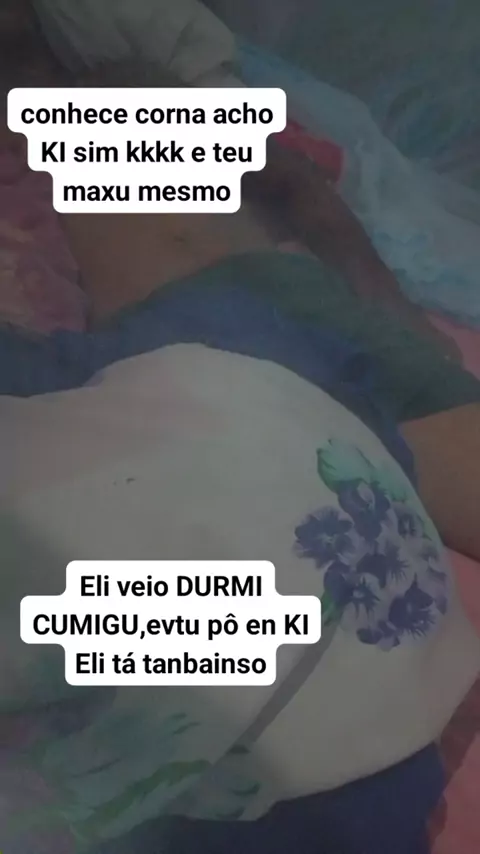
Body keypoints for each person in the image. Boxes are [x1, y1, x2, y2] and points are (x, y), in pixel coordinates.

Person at [1, 59, 479, 854]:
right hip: (223, 329)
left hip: (257, 318)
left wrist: (385, 300)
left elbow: (306, 189)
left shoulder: (166, 119)